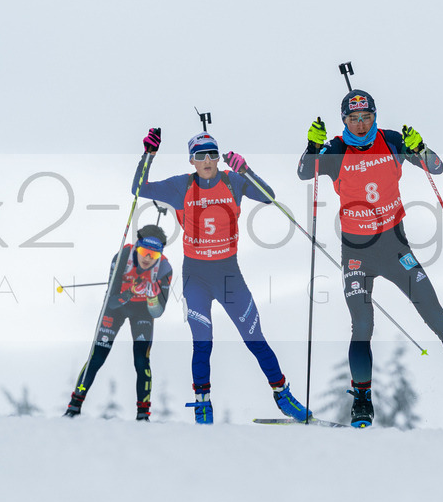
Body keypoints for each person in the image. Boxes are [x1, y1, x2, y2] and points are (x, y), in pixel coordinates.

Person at [297, 89, 443, 427]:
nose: (360, 124)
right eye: (353, 119)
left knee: (435, 315)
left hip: (395, 247)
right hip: (357, 253)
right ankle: (361, 399)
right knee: (363, 326)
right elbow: (303, 172)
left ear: (375, 116)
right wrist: (312, 148)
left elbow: (437, 167)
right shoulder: (337, 149)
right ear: (344, 120)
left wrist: (421, 147)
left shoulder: (392, 141)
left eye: (366, 117)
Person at [132, 127, 310, 424]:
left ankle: (283, 395)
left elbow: (269, 197)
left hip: (229, 274)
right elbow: (139, 188)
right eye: (200, 155)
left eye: (213, 154)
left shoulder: (232, 180)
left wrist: (246, 170)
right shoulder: (181, 186)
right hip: (196, 277)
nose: (208, 160)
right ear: (191, 160)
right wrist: (148, 155)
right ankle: (203, 405)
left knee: (254, 338)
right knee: (203, 341)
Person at [64, 224, 174, 421]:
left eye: (153, 255)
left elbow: (157, 312)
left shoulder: (164, 269)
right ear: (137, 247)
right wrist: (130, 292)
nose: (147, 258)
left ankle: (143, 414)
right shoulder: (122, 256)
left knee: (141, 360)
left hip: (142, 312)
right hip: (117, 307)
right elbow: (112, 301)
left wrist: (151, 297)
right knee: (97, 356)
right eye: (144, 252)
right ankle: (74, 407)